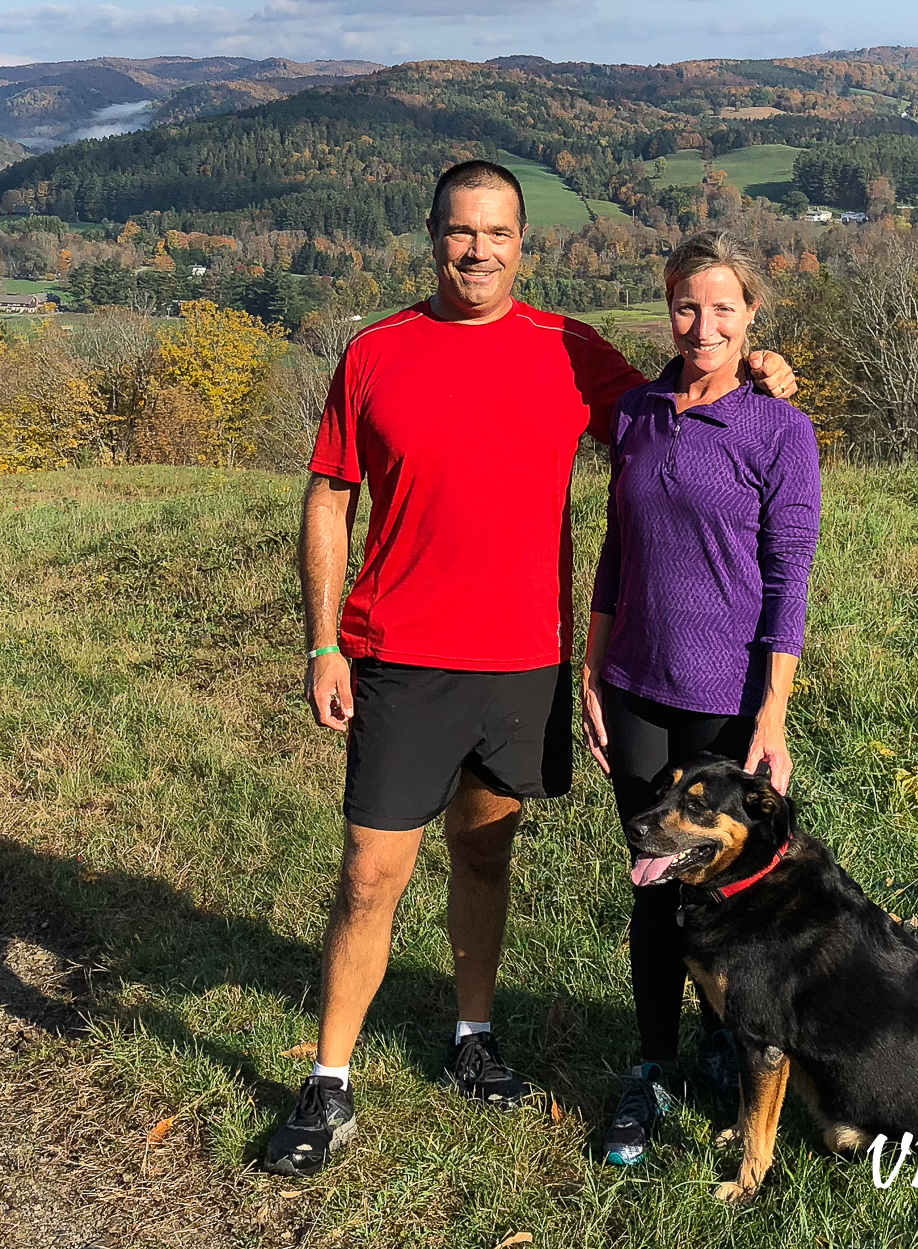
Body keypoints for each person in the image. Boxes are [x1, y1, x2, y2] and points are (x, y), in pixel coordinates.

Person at [259, 164, 796, 1178]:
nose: (478, 249)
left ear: (522, 242)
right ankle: (327, 1083)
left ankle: (472, 1039)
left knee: (485, 857)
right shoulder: (377, 352)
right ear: (432, 235)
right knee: (370, 875)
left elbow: (672, 410)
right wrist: (324, 640)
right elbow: (329, 497)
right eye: (461, 231)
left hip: (523, 664)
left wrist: (758, 374)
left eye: (497, 232)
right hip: (402, 656)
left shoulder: (567, 350)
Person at [578, 230, 822, 1168]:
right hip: (636, 686)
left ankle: (733, 1046)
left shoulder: (777, 428)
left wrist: (773, 710)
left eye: (724, 308)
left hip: (726, 701)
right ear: (667, 306)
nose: (703, 324)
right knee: (651, 880)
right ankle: (650, 1066)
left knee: (730, 893)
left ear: (752, 315)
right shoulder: (638, 413)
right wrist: (593, 669)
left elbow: (788, 572)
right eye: (687, 305)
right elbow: (614, 547)